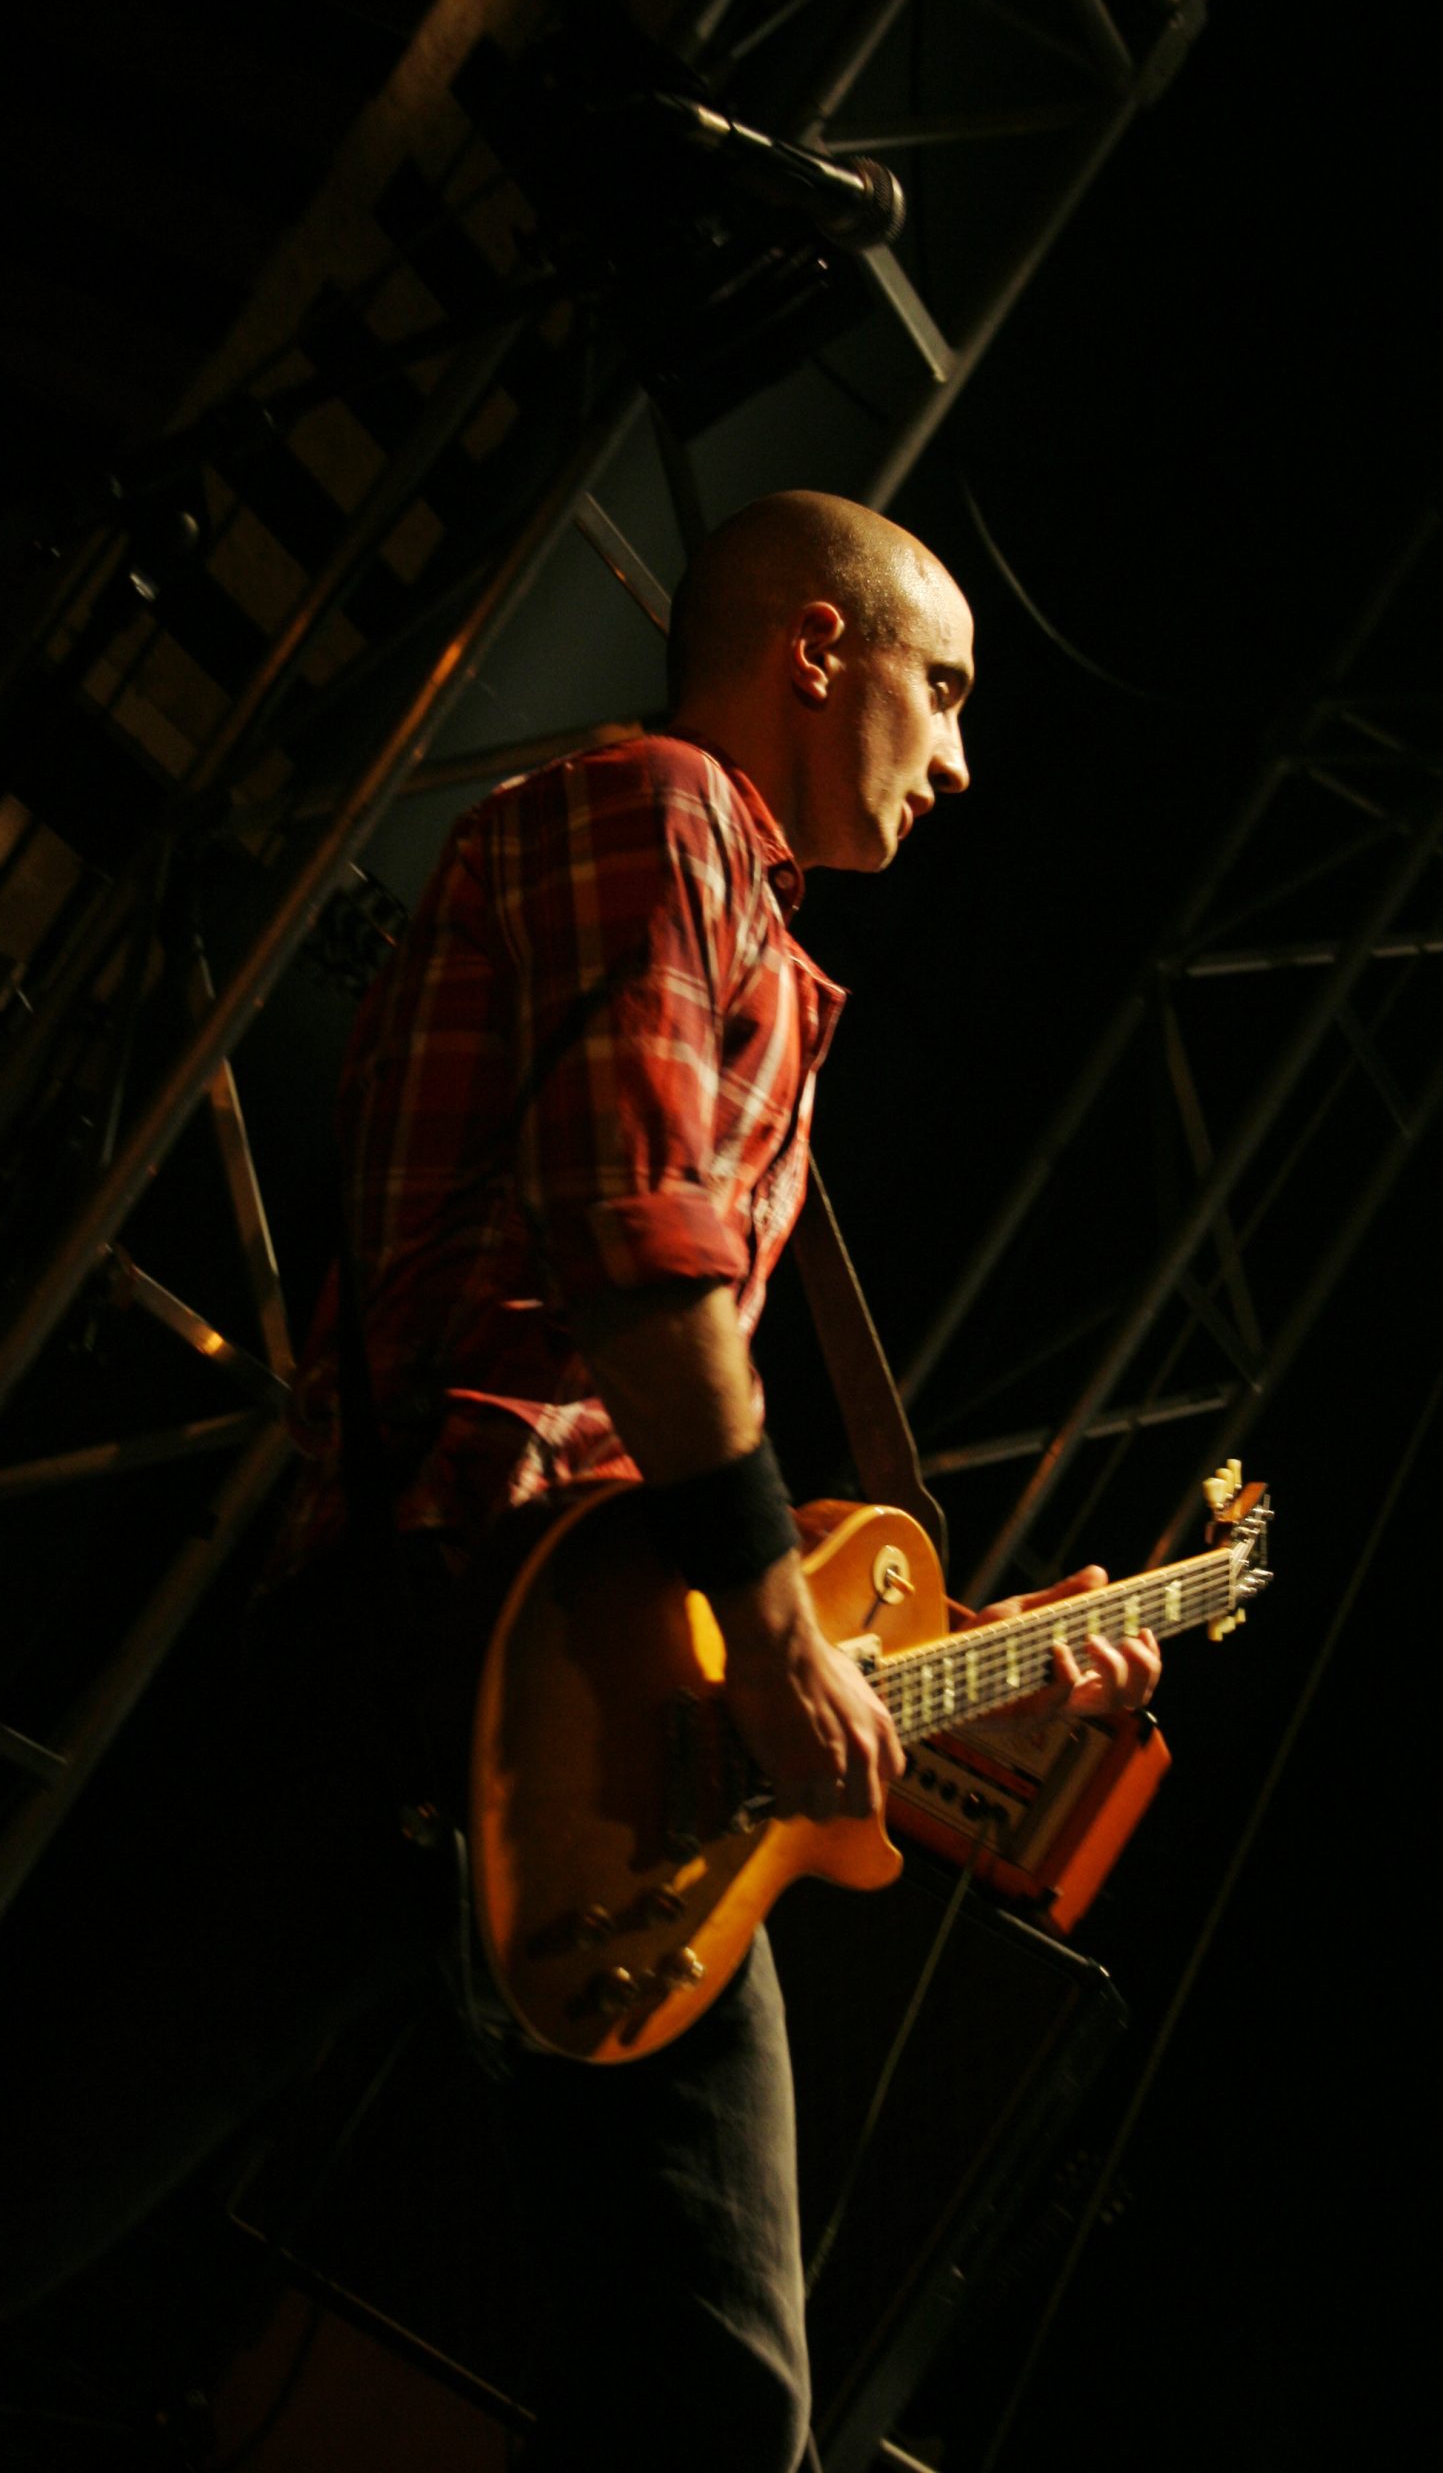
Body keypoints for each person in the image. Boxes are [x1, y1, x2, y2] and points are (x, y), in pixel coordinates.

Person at [265, 487, 1162, 2472]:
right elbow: (636, 1260)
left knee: (709, 2399)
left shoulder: (758, 940)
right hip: (431, 1630)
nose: (958, 758)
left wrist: (959, 1658)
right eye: (944, 690)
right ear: (815, 649)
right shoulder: (659, 812)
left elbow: (673, 1443)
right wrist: (773, 1635)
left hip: (597, 1711)